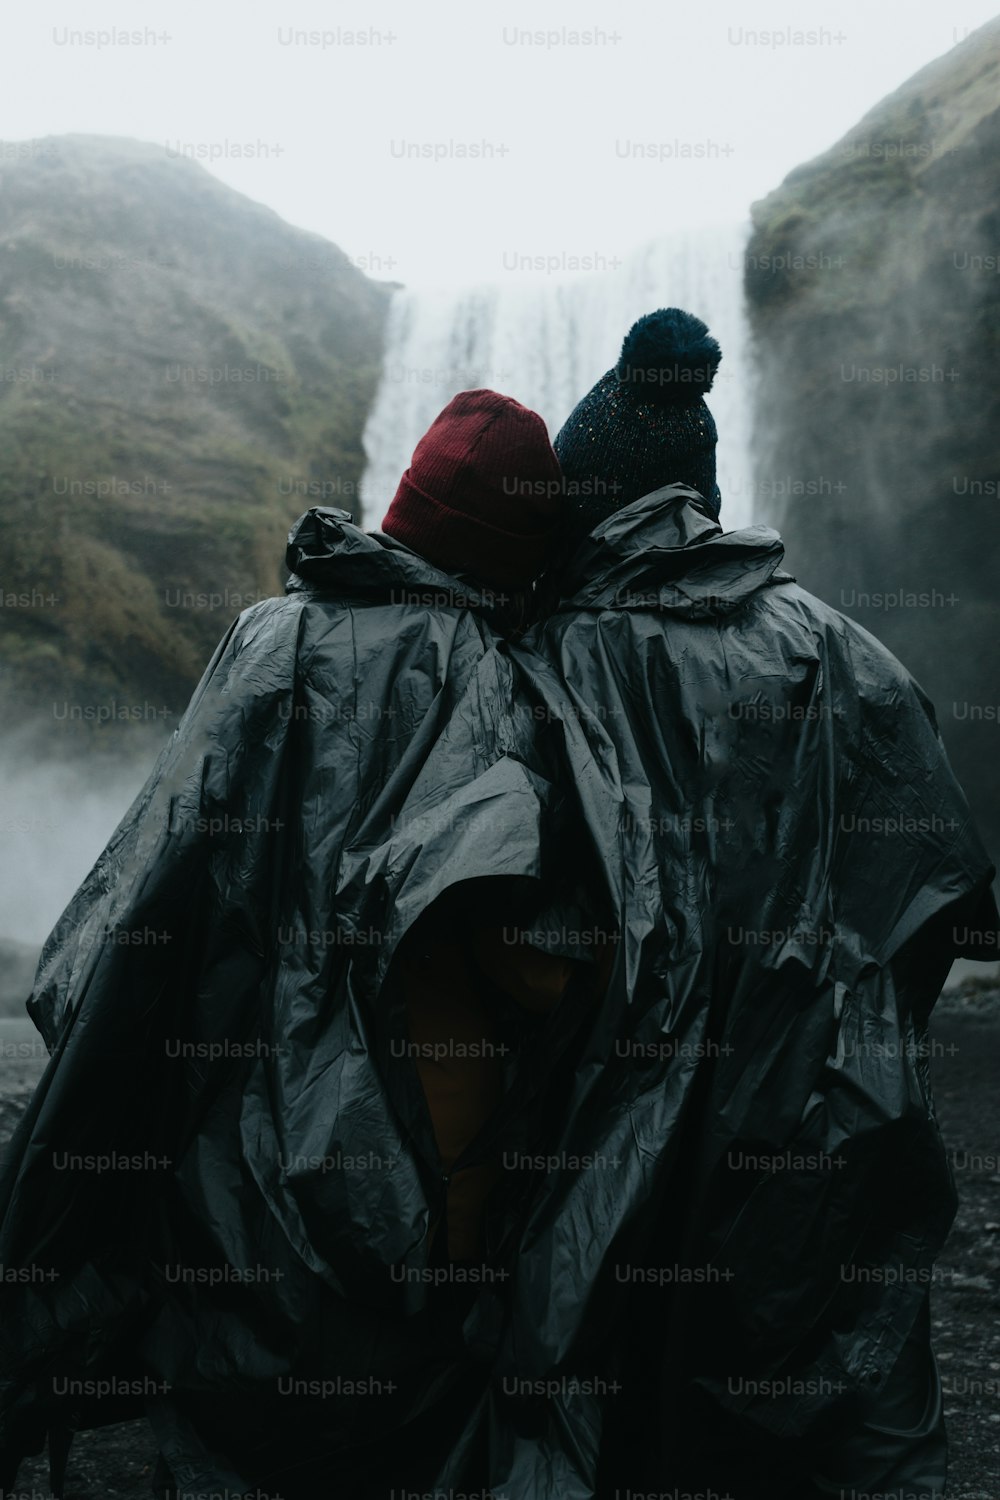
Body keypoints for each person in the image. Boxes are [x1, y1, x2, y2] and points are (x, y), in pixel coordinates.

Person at [354, 310, 999, 1500]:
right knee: (827, 1409)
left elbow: (490, 907)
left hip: (605, 1128)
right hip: (823, 1117)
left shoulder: (534, 659)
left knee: (601, 1412)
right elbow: (949, 890)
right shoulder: (847, 654)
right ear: (702, 493)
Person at [0, 390, 571, 1500]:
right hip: (405, 1187)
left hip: (223, 1162)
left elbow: (142, 899)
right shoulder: (499, 685)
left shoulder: (266, 637)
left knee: (222, 1432)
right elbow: (529, 966)